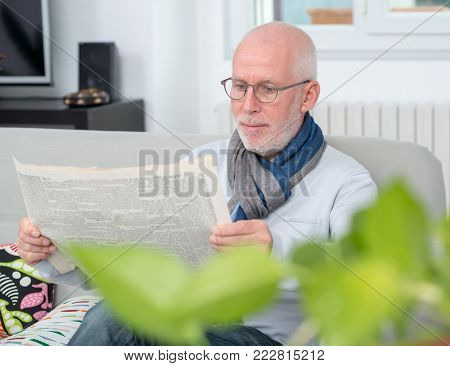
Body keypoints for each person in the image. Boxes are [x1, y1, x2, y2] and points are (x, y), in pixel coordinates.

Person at [16, 22, 377, 345]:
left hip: (269, 342)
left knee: (118, 320)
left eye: (268, 89)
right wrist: (54, 253)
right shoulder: (199, 164)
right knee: (118, 312)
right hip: (181, 324)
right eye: (239, 86)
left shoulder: (347, 182)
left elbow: (367, 287)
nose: (247, 106)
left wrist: (276, 250)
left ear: (308, 96)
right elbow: (135, 272)